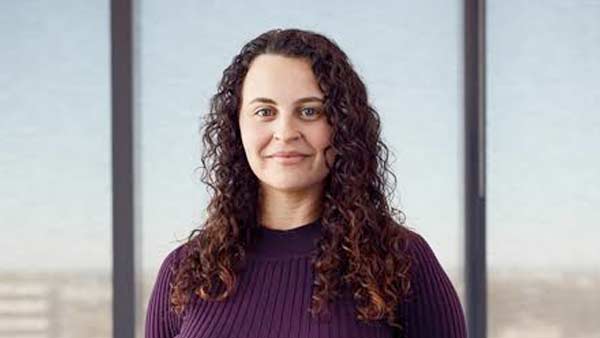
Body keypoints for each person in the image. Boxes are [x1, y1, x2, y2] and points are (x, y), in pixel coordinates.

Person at [144, 28, 466, 338]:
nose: (285, 132)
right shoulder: (184, 271)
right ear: (236, 126)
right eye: (265, 111)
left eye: (310, 111)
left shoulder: (401, 262)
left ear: (342, 125)